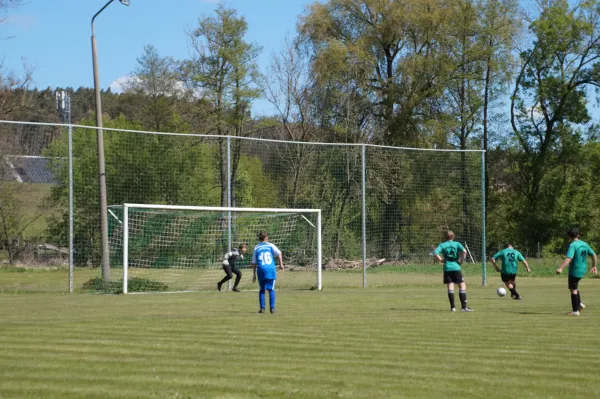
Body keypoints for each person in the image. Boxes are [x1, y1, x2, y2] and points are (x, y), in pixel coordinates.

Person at [555, 228, 597, 316]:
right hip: (583, 269)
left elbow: (569, 257)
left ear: (569, 236)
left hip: (574, 269)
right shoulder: (584, 244)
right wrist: (594, 266)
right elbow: (593, 254)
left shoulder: (573, 245)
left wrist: (561, 268)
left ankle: (575, 311)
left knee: (573, 289)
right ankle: (579, 304)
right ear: (578, 235)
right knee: (575, 287)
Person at [434, 230, 473, 312]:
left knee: (450, 286)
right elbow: (464, 251)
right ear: (453, 236)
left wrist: (441, 259)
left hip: (447, 268)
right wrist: (461, 260)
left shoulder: (443, 245)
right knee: (462, 286)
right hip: (456, 267)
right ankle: (464, 307)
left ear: (445, 237)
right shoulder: (457, 244)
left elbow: (435, 252)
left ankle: (453, 307)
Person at [251, 231, 284, 314]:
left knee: (262, 290)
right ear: (266, 238)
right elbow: (279, 253)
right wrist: (281, 264)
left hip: (261, 269)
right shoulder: (270, 245)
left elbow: (254, 263)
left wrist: (254, 274)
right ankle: (272, 309)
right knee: (271, 289)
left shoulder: (256, 247)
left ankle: (262, 308)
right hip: (270, 269)